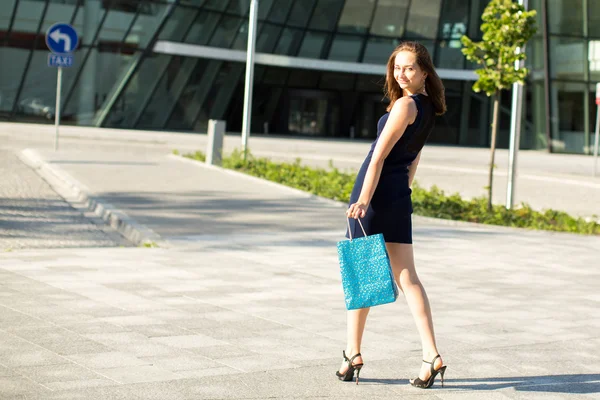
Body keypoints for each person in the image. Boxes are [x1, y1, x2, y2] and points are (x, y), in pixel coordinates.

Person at [336, 41, 447, 389]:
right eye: (397, 67)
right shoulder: (428, 107)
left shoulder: (404, 106)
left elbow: (378, 157)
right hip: (398, 194)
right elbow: (414, 157)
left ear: (424, 71)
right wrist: (404, 191)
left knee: (362, 275)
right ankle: (431, 354)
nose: (401, 73)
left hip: (375, 196)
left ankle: (353, 354)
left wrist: (365, 199)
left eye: (409, 68)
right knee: (407, 277)